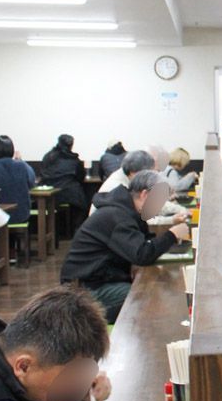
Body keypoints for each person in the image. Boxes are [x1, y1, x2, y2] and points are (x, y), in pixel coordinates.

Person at [60, 170, 190, 322]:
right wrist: (172, 235)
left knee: (149, 292)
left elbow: (142, 243)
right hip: (84, 288)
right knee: (144, 296)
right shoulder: (118, 216)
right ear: (145, 195)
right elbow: (142, 254)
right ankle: (86, 321)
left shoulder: (125, 210)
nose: (160, 207)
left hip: (98, 278)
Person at [91, 150, 185, 224]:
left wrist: (178, 209)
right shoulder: (118, 188)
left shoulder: (128, 176)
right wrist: (171, 220)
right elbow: (143, 217)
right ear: (133, 172)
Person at [40, 134, 89, 217]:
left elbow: (43, 173)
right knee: (83, 205)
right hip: (70, 195)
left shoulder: (48, 157)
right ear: (71, 145)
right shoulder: (74, 159)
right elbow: (81, 177)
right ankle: (75, 229)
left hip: (49, 195)